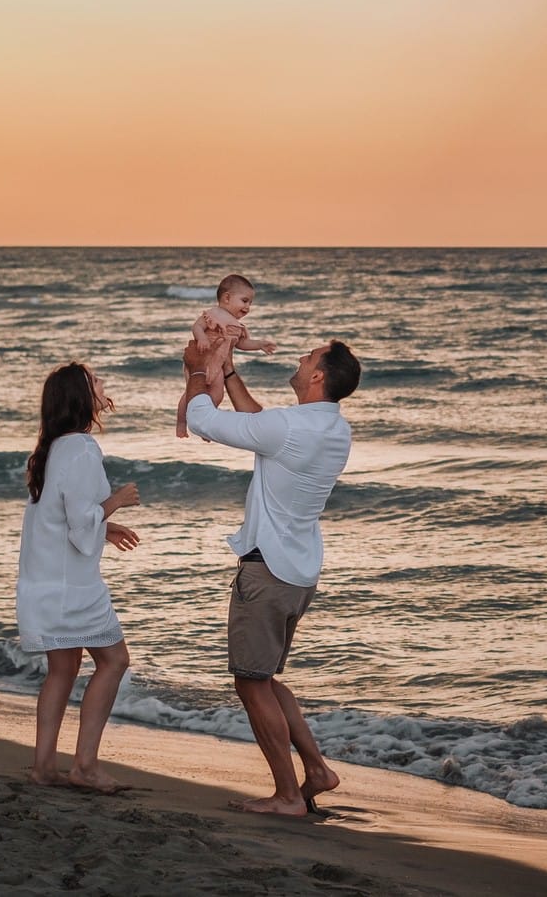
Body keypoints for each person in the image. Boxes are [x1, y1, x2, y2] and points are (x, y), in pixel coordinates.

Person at [182, 334, 362, 816]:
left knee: (249, 682)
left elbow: (202, 419)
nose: (301, 361)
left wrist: (201, 369)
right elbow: (262, 422)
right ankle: (317, 770)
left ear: (318, 375)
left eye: (308, 358)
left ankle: (287, 796)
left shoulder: (289, 428)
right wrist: (233, 372)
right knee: (266, 680)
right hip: (299, 572)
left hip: (267, 574)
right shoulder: (331, 428)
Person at [15, 361, 142, 791]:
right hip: (73, 588)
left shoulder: (53, 448)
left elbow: (58, 519)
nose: (103, 384)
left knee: (63, 669)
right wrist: (117, 502)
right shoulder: (83, 448)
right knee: (114, 660)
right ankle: (84, 765)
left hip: (43, 580)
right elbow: (79, 520)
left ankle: (42, 767)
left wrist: (103, 529)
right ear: (80, 397)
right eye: (95, 381)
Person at [177, 273, 278, 438]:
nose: (248, 307)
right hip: (200, 361)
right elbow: (197, 326)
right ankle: (181, 423)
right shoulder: (214, 313)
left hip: (218, 366)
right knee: (191, 394)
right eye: (245, 301)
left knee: (217, 395)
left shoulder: (238, 326)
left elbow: (242, 344)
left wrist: (259, 344)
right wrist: (202, 338)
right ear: (227, 298)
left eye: (250, 303)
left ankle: (206, 427)